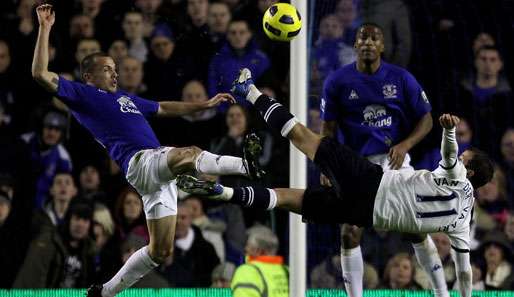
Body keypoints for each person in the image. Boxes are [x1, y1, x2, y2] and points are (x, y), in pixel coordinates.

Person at [177, 68, 495, 297]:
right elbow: (464, 269)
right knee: (289, 198)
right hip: (365, 215)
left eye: (466, 159)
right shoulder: (463, 223)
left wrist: (450, 131)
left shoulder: (459, 181)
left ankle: (250, 91)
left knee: (302, 136)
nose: (460, 158)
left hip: (372, 184)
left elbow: (450, 156)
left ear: (469, 173)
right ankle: (224, 191)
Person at [32, 5, 263, 297]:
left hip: (154, 176)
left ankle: (104, 292)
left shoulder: (125, 98)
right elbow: (40, 73)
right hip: (141, 162)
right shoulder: (83, 94)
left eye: (116, 70)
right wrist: (45, 28)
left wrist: (203, 105)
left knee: (160, 251)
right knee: (189, 152)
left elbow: (164, 107)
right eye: (108, 70)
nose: (115, 75)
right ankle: (246, 166)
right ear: (89, 75)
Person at [319, 23, 441, 297]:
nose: (368, 43)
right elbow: (327, 129)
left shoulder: (400, 78)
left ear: (382, 46)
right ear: (355, 45)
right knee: (350, 232)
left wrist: (405, 144)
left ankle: (442, 293)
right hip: (354, 165)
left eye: (375, 38)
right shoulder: (337, 82)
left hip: (393, 161)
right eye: (363, 37)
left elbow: (427, 119)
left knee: (415, 229)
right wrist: (326, 164)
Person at [14, 203, 96, 288]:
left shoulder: (89, 252)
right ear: (68, 220)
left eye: (85, 220)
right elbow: (34, 278)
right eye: (77, 218)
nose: (80, 224)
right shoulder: (49, 242)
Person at [230, 225, 289, 297]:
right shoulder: (288, 271)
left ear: (258, 250)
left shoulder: (247, 271)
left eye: (248, 245)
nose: (245, 249)